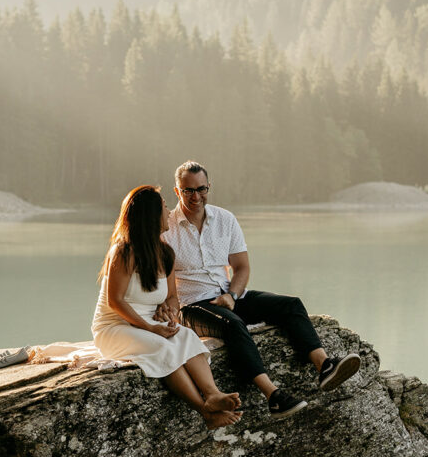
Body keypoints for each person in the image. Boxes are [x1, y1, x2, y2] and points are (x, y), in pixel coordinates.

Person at [158, 161, 360, 419]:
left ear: (209, 187)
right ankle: (273, 396)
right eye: (188, 191)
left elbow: (241, 268)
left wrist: (231, 295)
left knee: (290, 304)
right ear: (177, 192)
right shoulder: (166, 228)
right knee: (232, 325)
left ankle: (325, 366)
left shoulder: (225, 219)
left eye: (201, 189)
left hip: (228, 295)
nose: (196, 196)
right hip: (192, 305)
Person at [92, 184, 243, 430]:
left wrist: (170, 312)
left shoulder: (165, 253)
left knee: (185, 335)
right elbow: (115, 301)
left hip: (150, 325)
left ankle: (213, 394)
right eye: (163, 207)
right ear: (150, 216)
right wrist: (151, 328)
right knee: (162, 347)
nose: (168, 212)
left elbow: (172, 296)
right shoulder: (123, 251)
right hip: (115, 327)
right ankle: (203, 409)